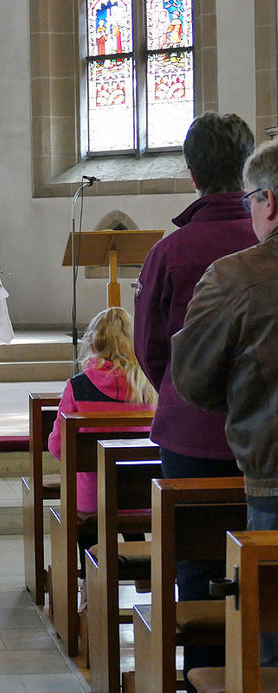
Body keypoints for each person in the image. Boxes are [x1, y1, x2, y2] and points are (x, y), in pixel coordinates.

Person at [133, 111, 256, 687]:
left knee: (198, 565)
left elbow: (150, 348)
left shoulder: (172, 251)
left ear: (191, 175)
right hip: (266, 445)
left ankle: (205, 674)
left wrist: (182, 398)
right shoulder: (262, 242)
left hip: (193, 441)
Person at [171, 138, 278, 667]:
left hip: (272, 479)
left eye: (251, 200)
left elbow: (190, 377)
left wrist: (235, 393)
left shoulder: (236, 276)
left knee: (271, 640)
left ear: (269, 202)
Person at [47, 307, 157, 596]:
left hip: (93, 499)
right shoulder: (149, 388)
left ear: (93, 344)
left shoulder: (79, 387)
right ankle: (142, 570)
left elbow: (59, 447)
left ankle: (90, 582)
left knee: (93, 510)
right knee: (127, 495)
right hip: (145, 495)